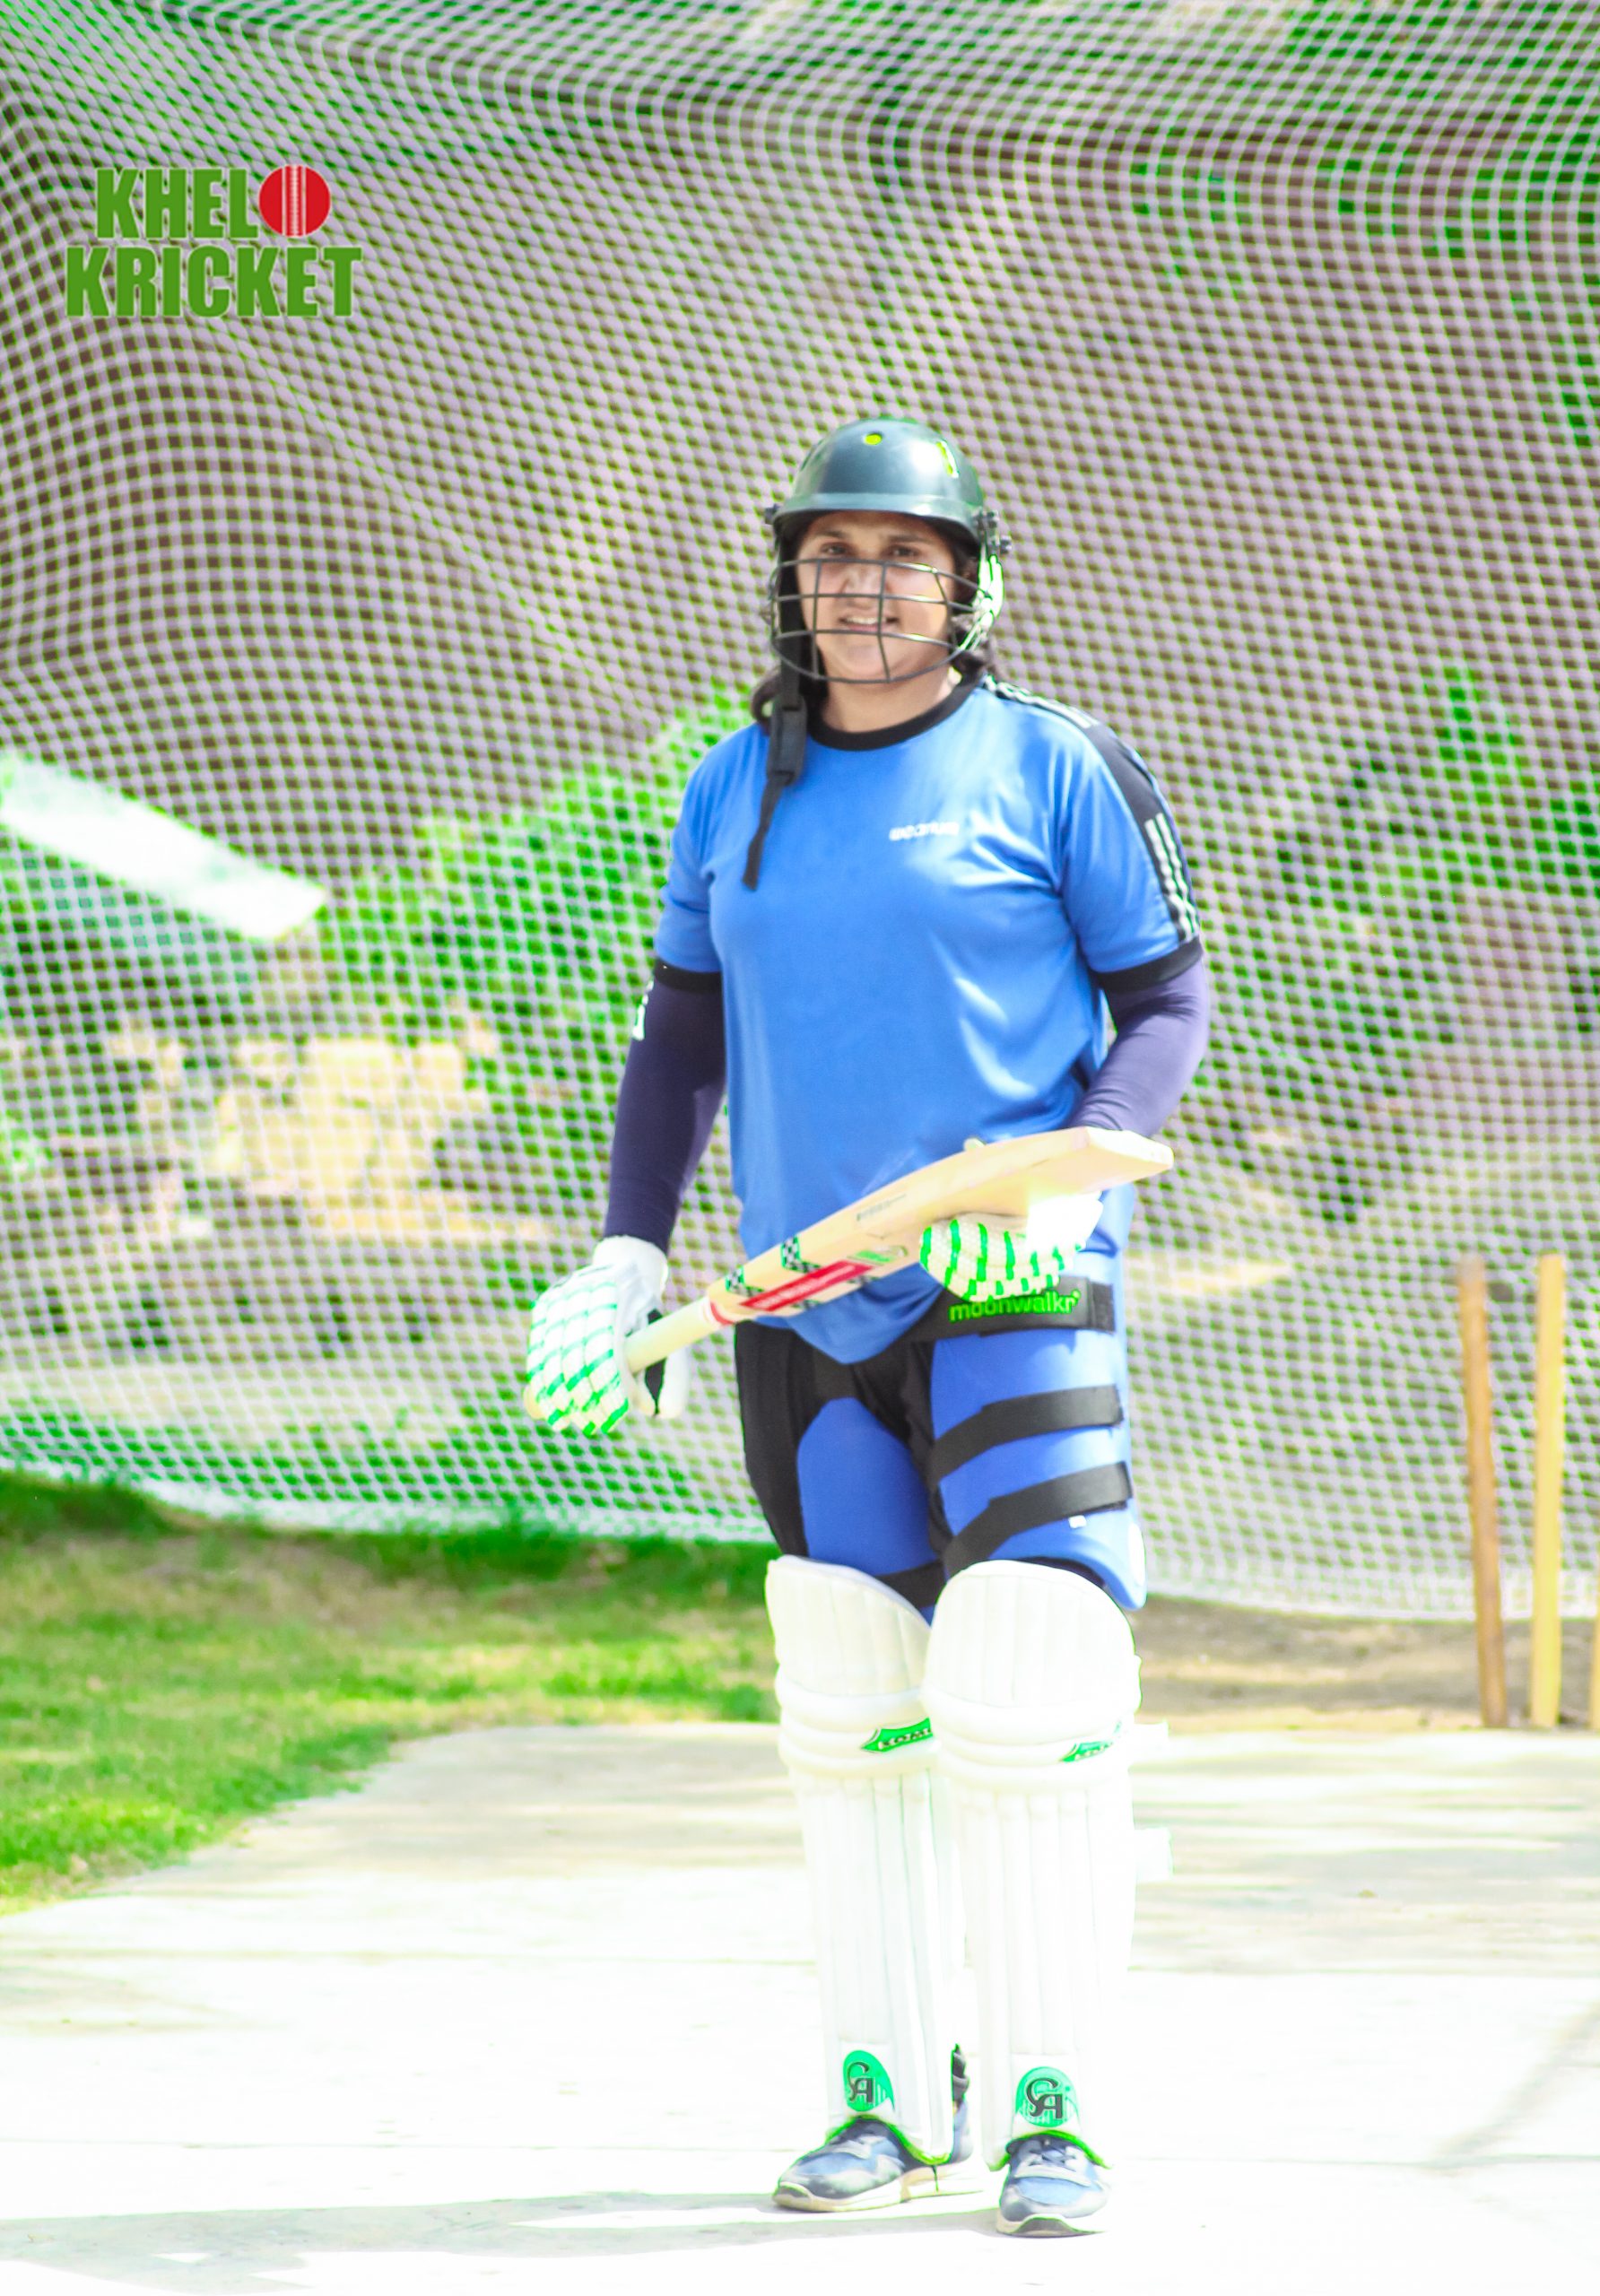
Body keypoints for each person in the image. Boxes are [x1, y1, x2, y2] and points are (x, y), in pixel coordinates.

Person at [525, 414, 1209, 2237]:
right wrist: (627, 1251)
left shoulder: (1055, 766)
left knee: (1029, 1683)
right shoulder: (730, 785)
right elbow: (680, 1035)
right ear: (793, 579)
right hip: (803, 1310)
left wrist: (1075, 1185)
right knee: (851, 1700)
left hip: (1013, 1283)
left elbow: (1164, 1002)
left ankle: (1058, 2108)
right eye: (832, 552)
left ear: (968, 583)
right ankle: (890, 2096)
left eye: (907, 553)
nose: (866, 582)